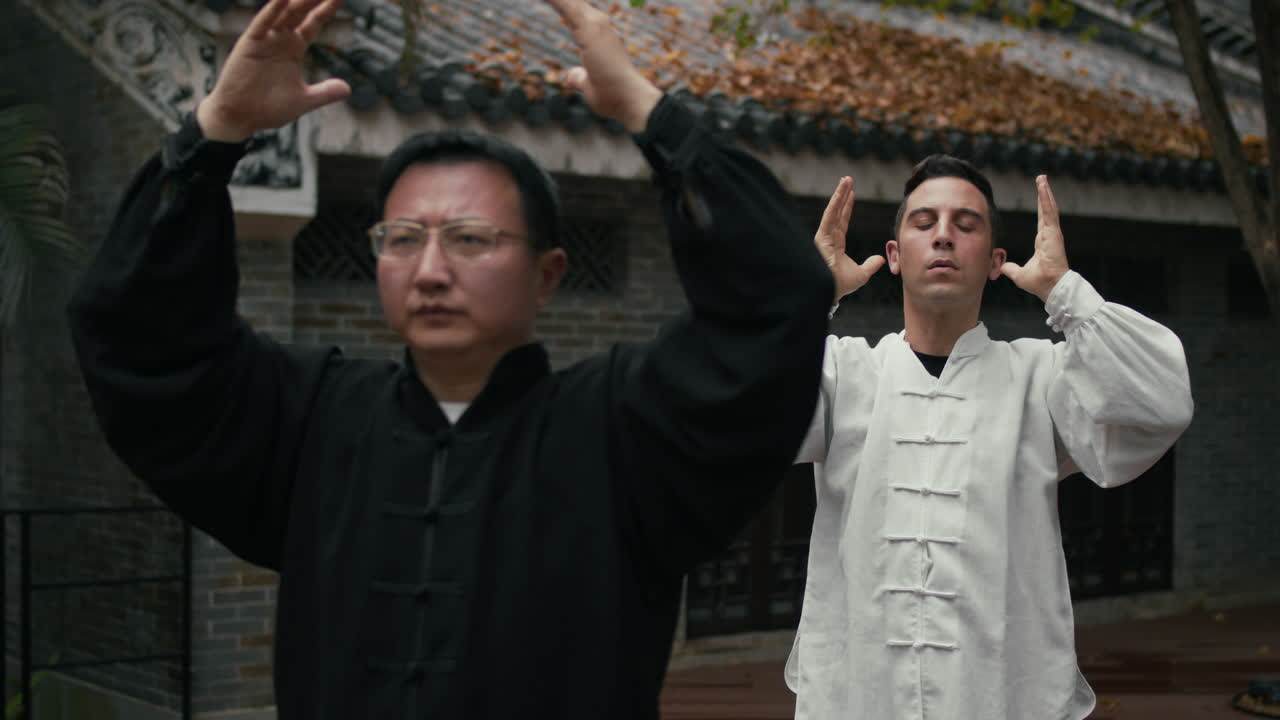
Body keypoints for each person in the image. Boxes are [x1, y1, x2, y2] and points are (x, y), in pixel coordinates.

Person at [66, 0, 833, 716]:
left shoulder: (622, 432)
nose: (430, 270)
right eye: (402, 239)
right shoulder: (307, 422)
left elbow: (775, 306)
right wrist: (215, 133)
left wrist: (646, 109)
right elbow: (138, 333)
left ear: (547, 274)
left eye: (470, 239)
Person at [785, 156, 1193, 720]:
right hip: (862, 695)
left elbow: (1164, 403)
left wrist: (1066, 294)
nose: (944, 236)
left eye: (966, 224)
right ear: (895, 256)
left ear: (996, 260)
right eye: (924, 222)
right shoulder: (842, 374)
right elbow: (734, 415)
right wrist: (806, 300)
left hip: (1002, 695)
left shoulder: (1041, 378)